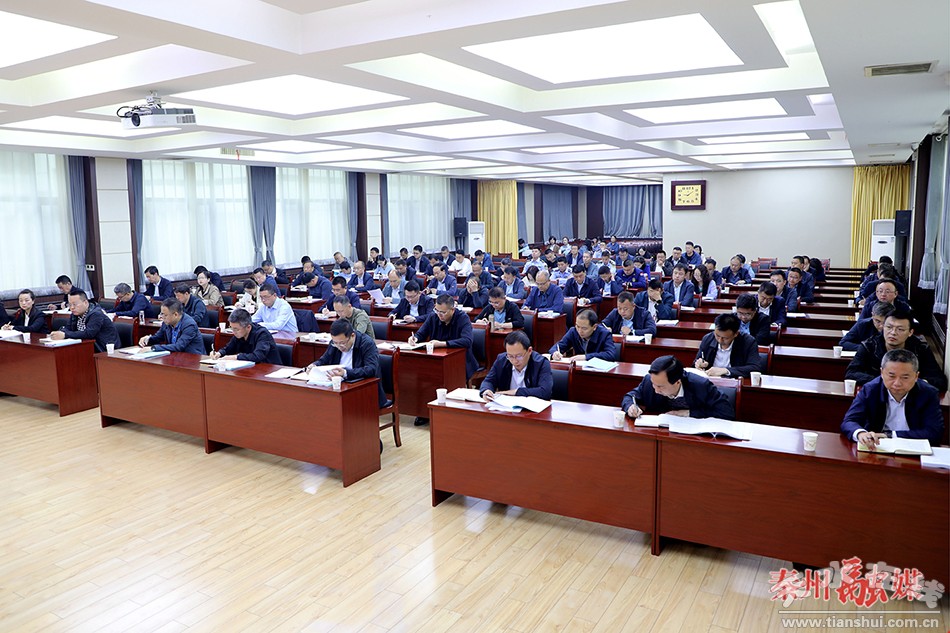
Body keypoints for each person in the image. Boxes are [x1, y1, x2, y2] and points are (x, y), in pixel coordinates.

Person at [841, 349, 944, 448]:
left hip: (913, 449)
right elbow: (849, 421)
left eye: (905, 377)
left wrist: (890, 435)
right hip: (878, 447)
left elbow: (934, 432)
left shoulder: (928, 394)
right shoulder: (870, 390)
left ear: (916, 376)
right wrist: (861, 433)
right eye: (891, 376)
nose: (897, 383)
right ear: (881, 373)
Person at [409, 294, 477, 424]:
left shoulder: (462, 318)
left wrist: (443, 344)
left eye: (443, 312)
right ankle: (424, 411)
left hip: (460, 361)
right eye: (437, 310)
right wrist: (415, 338)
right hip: (436, 360)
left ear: (452, 309)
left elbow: (467, 340)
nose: (440, 315)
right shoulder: (433, 316)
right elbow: (421, 333)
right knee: (423, 373)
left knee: (445, 377)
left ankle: (450, 413)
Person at [845, 311, 947, 390]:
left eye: (900, 329)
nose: (893, 332)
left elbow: (939, 380)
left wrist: (912, 383)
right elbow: (851, 373)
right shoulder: (869, 346)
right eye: (889, 327)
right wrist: (884, 381)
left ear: (910, 332)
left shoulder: (920, 349)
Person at [621, 355, 734, 420]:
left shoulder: (700, 385)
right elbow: (630, 397)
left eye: (660, 386)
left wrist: (688, 413)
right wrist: (630, 406)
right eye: (653, 384)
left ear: (677, 382)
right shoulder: (649, 382)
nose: (655, 389)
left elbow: (726, 412)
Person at [308, 319, 387, 408]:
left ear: (352, 336)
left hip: (364, 390)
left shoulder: (367, 343)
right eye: (336, 343)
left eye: (342, 343)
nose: (339, 347)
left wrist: (345, 373)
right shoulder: (335, 343)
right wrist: (314, 365)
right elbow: (324, 360)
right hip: (340, 387)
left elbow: (371, 369)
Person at [479, 330, 553, 401]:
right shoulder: (501, 360)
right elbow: (488, 381)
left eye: (519, 356)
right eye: (510, 356)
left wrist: (516, 392)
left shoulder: (541, 363)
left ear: (529, 351)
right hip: (506, 406)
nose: (515, 361)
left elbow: (545, 392)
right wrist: (486, 390)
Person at [50, 289, 119, 353]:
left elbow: (89, 333)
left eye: (75, 304)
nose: (72, 307)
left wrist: (65, 335)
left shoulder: (96, 314)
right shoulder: (75, 314)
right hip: (87, 347)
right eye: (70, 304)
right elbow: (68, 328)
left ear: (85, 302)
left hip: (105, 349)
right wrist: (60, 332)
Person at [695, 313, 761, 378]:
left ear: (736, 334)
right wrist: (699, 363)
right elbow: (698, 360)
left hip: (734, 381)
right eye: (717, 335)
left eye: (725, 338)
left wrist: (726, 370)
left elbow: (754, 368)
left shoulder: (748, 342)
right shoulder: (708, 339)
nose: (720, 340)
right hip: (710, 380)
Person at [211, 308, 281, 364]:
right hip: (251, 369)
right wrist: (219, 353)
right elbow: (228, 348)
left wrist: (236, 357)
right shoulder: (239, 334)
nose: (233, 332)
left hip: (269, 369)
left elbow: (257, 356)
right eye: (231, 328)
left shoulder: (262, 334)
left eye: (236, 329)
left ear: (248, 327)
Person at [137, 298, 204, 354]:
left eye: (165, 315)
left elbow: (178, 347)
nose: (162, 317)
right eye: (161, 314)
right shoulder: (167, 323)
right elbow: (158, 337)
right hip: (175, 357)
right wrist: (148, 339)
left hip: (192, 359)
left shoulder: (189, 325)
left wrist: (153, 348)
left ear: (175, 314)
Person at [549, 309, 617, 362]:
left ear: (594, 327)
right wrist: (555, 353)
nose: (580, 331)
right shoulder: (573, 331)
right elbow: (558, 346)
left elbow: (611, 355)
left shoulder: (604, 334)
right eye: (577, 326)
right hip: (579, 369)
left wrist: (586, 357)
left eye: (584, 328)